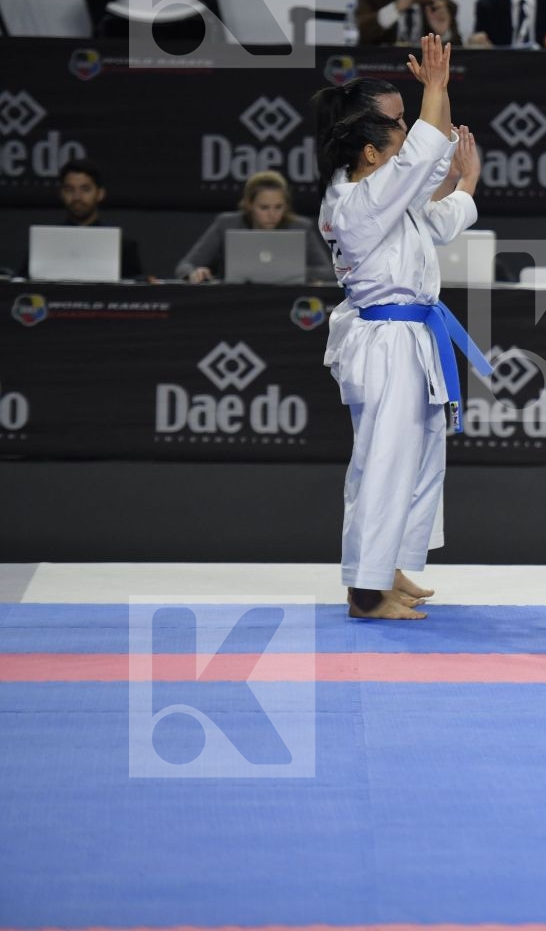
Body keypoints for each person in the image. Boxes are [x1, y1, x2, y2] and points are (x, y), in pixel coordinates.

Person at [313, 34, 489, 621]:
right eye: (399, 127)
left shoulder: (375, 194)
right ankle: (366, 592)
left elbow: (432, 208)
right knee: (385, 464)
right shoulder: (354, 202)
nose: (410, 131)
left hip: (407, 340)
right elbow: (422, 162)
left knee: (412, 460)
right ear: (368, 150)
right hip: (387, 341)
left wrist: (465, 186)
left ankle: (386, 568)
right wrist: (436, 88)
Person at [175, 170, 333, 283]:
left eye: (278, 207)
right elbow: (185, 266)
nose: (272, 214)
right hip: (234, 299)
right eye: (264, 208)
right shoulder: (226, 224)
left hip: (285, 300)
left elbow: (328, 272)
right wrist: (194, 273)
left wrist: (293, 272)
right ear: (249, 204)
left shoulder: (300, 227)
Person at [56, 159, 143, 280]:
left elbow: (137, 293)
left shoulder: (123, 249)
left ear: (100, 193)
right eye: (69, 189)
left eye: (85, 189)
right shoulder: (41, 246)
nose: (77, 197)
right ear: (61, 193)